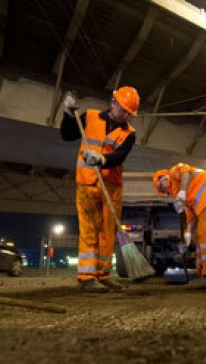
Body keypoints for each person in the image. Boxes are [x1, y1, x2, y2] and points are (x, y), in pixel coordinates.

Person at [60, 87, 140, 292]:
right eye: (122, 110)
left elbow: (120, 156)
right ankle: (86, 277)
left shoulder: (129, 133)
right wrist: (68, 114)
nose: (124, 115)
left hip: (112, 187)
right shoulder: (91, 117)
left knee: (107, 234)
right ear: (113, 103)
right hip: (87, 183)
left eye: (128, 113)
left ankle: (103, 275)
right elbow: (67, 135)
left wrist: (103, 159)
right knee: (89, 231)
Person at [153, 164, 206, 290]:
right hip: (204, 201)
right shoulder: (176, 192)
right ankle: (202, 274)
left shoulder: (173, 173)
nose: (165, 192)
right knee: (198, 236)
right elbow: (190, 215)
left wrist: (182, 192)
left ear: (163, 178)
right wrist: (187, 236)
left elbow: (186, 171)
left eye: (161, 187)